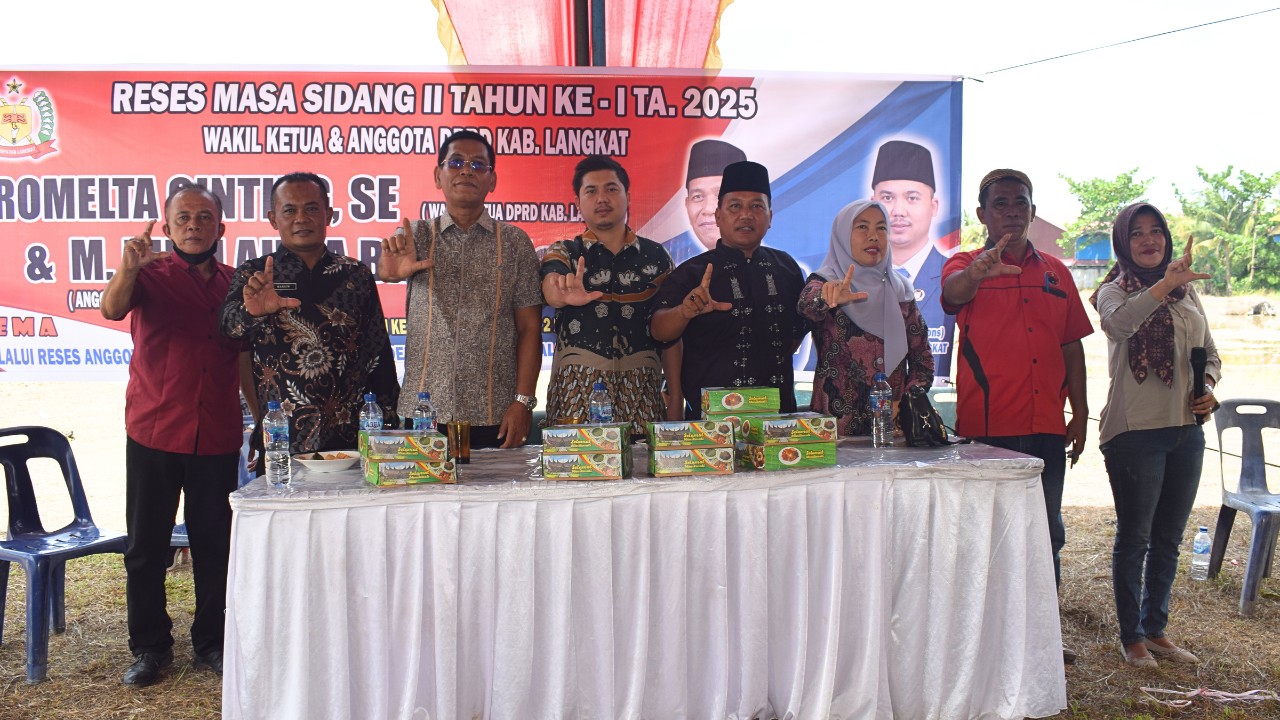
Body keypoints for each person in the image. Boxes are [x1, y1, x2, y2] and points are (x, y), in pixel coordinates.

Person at [100, 184, 251, 685]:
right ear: (166, 228)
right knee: (146, 547)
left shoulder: (236, 284)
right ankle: (149, 647)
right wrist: (127, 268)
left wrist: (258, 421)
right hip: (154, 430)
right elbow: (110, 309)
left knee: (214, 545)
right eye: (183, 218)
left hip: (217, 434)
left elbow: (244, 358)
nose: (193, 225)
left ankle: (212, 642)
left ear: (220, 228)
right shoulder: (147, 274)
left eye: (204, 217)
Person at [941, 169, 1093, 661]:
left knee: (1046, 532)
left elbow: (1071, 345)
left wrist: (1080, 412)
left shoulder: (1056, 272)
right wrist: (978, 274)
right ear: (982, 214)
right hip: (988, 431)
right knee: (986, 537)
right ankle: (986, 641)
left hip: (1047, 424)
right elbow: (953, 294)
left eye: (1020, 202)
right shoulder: (965, 264)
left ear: (1032, 210)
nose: (1011, 211)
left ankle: (1042, 638)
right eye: (1000, 203)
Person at [1092, 203, 1219, 669]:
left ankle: (1155, 628)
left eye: (1156, 231)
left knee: (1169, 538)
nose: (1149, 240)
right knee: (1136, 539)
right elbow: (1119, 325)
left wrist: (1208, 387)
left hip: (1186, 431)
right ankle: (1132, 638)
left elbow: (1209, 351)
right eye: (1137, 233)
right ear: (1123, 243)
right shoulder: (1112, 291)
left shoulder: (1187, 294)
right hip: (1135, 433)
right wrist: (1164, 285)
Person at [379, 130, 542, 448]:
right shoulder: (417, 234)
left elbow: (529, 327)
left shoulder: (514, 242)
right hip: (425, 411)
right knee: (424, 485)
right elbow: (387, 268)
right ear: (438, 176)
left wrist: (523, 402)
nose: (466, 171)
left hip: (495, 412)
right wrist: (391, 272)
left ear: (492, 181)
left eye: (478, 165)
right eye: (455, 163)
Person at [220, 172, 400, 455]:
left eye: (312, 208)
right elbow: (228, 327)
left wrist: (389, 421)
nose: (301, 218)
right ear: (273, 219)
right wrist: (251, 313)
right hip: (282, 437)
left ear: (329, 214)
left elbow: (378, 353)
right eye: (289, 210)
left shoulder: (355, 274)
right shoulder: (255, 273)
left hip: (351, 438)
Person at [652, 160, 808, 415]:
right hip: (710, 421)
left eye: (756, 206)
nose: (746, 215)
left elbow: (795, 333)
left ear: (770, 217)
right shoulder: (692, 272)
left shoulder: (786, 268)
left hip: (777, 418)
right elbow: (659, 331)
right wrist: (684, 312)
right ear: (718, 216)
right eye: (735, 206)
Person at [540, 155, 683, 434]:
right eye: (591, 191)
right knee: (577, 460)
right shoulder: (566, 252)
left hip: (643, 400)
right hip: (575, 402)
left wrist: (676, 397)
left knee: (645, 462)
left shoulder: (657, 257)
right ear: (578, 202)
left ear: (628, 197)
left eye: (611, 189)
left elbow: (672, 336)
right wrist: (562, 294)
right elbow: (551, 288)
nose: (602, 198)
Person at [798, 199, 934, 435]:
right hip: (834, 432)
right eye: (862, 227)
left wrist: (906, 403)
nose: (873, 236)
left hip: (891, 431)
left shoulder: (901, 291)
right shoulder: (825, 282)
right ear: (842, 235)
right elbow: (806, 306)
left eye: (881, 228)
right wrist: (827, 297)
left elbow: (922, 360)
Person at [870, 140, 956, 380]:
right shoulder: (851, 279)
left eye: (912, 198)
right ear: (871, 204)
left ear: (934, 206)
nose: (898, 211)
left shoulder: (955, 278)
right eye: (887, 198)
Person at [664, 139, 747, 265]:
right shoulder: (685, 273)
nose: (708, 209)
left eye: (720, 195)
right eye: (697, 196)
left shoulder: (775, 268)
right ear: (687, 204)